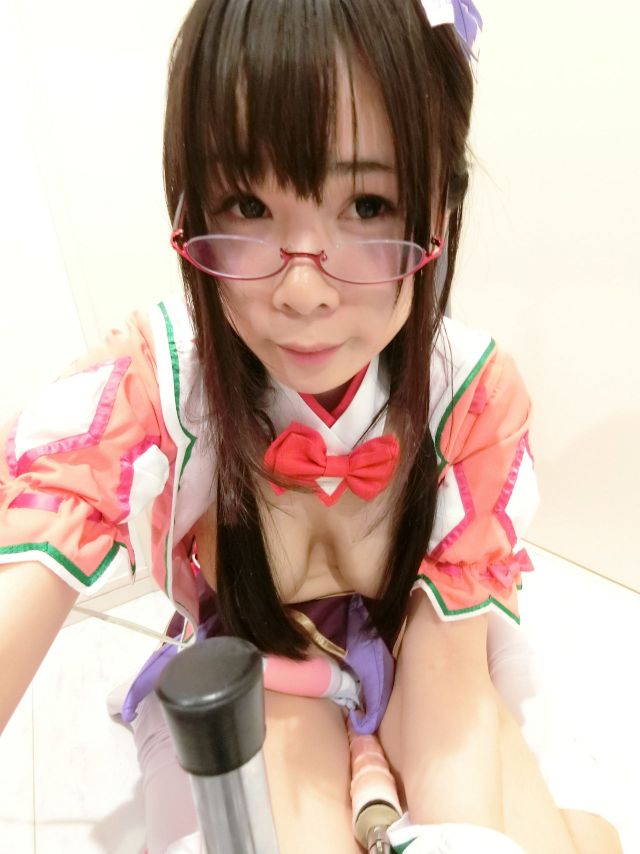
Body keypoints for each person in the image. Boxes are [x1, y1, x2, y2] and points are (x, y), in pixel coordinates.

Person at [0, 1, 623, 852]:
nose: (301, 292)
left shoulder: (471, 396)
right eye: (246, 204)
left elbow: (447, 684)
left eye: (366, 204)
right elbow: (30, 566)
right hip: (261, 667)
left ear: (439, 210)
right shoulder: (162, 383)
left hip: (424, 655)